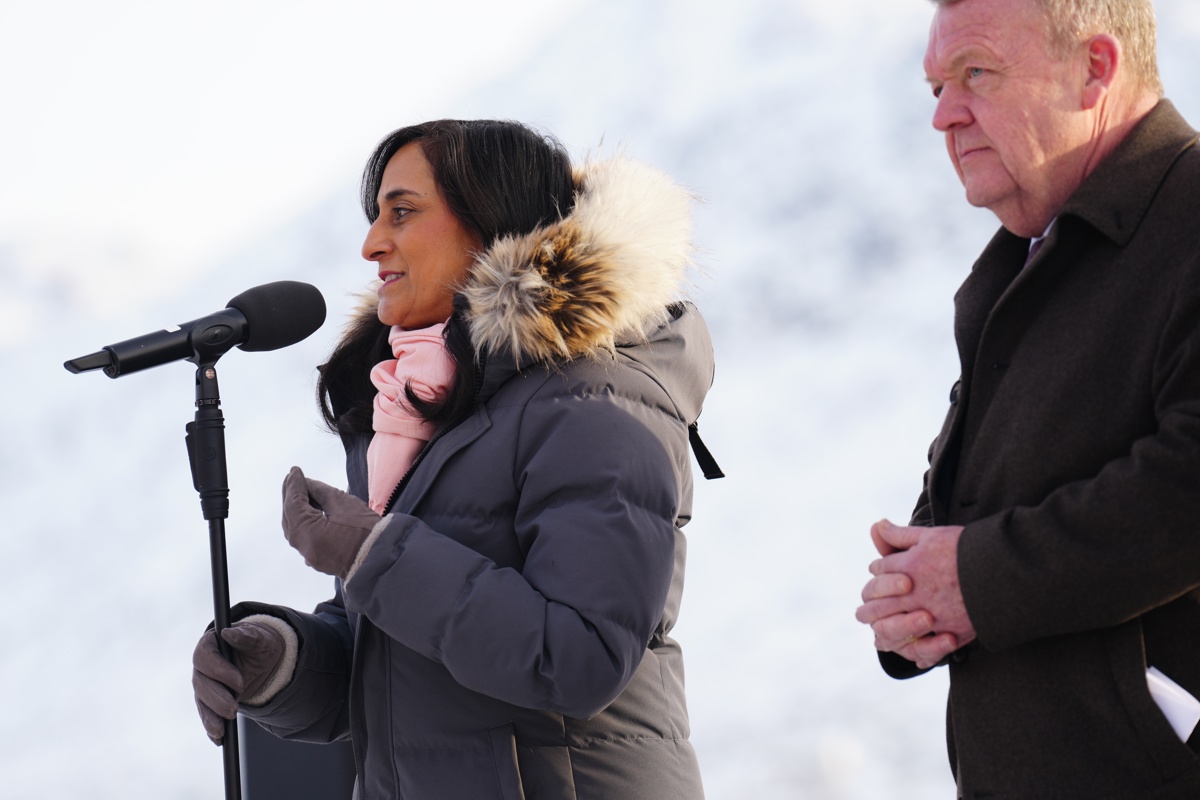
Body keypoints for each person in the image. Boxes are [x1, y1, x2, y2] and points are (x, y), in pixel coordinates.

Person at [191, 119, 719, 799]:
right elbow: (401, 660)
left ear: (491, 226)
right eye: (375, 216)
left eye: (402, 212)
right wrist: (283, 663)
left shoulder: (595, 401)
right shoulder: (416, 407)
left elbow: (579, 658)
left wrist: (372, 552)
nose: (371, 244)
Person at [855, 0, 1200, 795]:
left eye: (976, 73)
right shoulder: (1027, 255)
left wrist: (975, 580)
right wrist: (916, 594)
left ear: (1095, 68)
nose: (943, 115)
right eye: (936, 86)